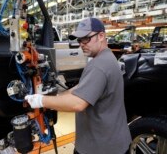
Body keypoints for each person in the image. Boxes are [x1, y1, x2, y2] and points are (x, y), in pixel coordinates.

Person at [25, 17, 132, 154]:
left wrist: (40, 101)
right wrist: (57, 97)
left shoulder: (98, 66)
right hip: (113, 141)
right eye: (79, 40)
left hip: (100, 148)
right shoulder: (108, 57)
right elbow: (80, 88)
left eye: (86, 39)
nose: (81, 44)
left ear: (101, 36)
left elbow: (77, 104)